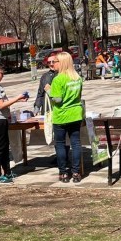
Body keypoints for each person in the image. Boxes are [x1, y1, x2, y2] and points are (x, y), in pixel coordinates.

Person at [0, 65, 29, 184]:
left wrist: (19, 99)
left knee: (4, 147)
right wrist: (17, 97)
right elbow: (1, 105)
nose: (3, 76)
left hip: (0, 118)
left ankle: (7, 173)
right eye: (2, 74)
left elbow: (4, 102)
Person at [46, 51, 84, 183]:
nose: (52, 64)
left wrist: (48, 90)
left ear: (61, 63)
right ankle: (76, 172)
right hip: (75, 114)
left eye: (55, 61)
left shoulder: (58, 79)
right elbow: (79, 96)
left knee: (60, 144)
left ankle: (63, 173)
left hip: (61, 116)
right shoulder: (77, 78)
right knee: (76, 143)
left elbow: (57, 99)